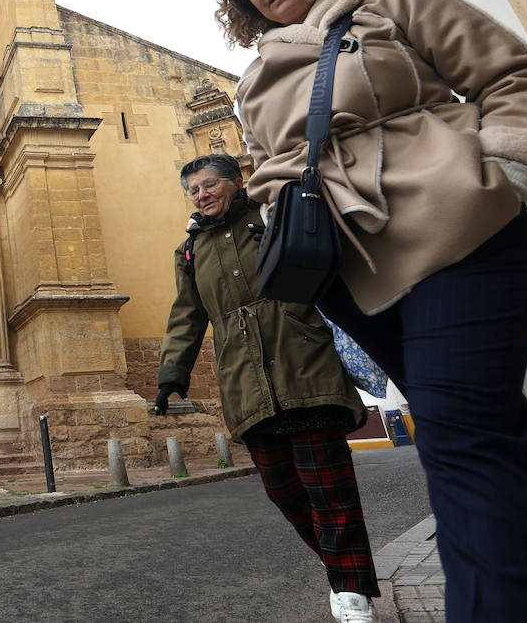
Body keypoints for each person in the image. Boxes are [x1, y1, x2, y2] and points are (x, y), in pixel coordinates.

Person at [219, 0, 527, 622]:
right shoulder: (254, 81)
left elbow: (513, 73)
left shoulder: (393, 2)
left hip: (459, 234)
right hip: (355, 277)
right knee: (499, 438)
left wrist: (507, 170)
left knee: (462, 439)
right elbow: (271, 166)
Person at [157, 153, 378, 623]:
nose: (201, 194)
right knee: (282, 489)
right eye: (192, 190)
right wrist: (172, 372)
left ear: (237, 182)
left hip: (304, 360)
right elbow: (187, 314)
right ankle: (342, 568)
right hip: (245, 379)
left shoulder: (271, 213)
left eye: (210, 183)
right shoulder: (191, 251)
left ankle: (350, 589)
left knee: (329, 488)